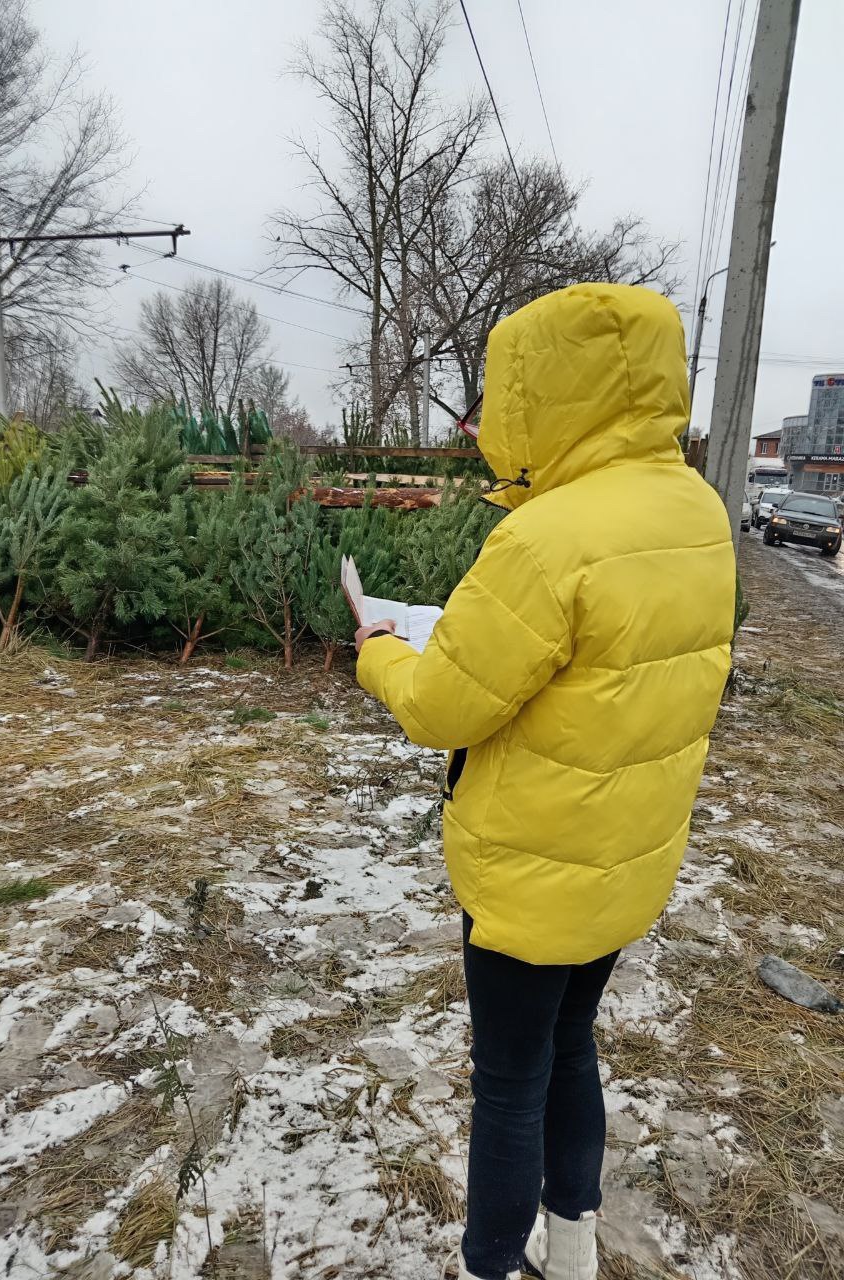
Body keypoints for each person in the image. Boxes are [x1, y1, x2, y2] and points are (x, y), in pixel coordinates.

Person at [354, 283, 735, 1280]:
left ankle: (488, 1265)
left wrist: (378, 647)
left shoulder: (545, 537)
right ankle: (571, 1255)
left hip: (530, 870)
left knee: (511, 1081)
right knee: (571, 1047)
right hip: (626, 859)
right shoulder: (698, 511)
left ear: (540, 391)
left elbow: (441, 708)